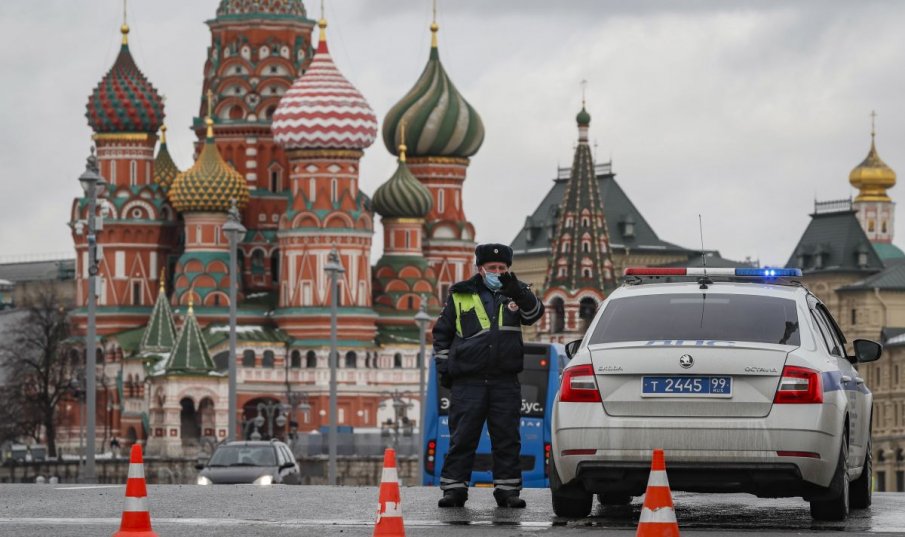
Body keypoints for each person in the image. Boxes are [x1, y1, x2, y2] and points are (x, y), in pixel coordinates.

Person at [432, 243, 545, 508]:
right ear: (480, 269)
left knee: (507, 438)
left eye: (502, 268)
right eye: (492, 268)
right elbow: (441, 335)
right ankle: (454, 489)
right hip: (468, 382)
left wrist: (516, 288)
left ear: (508, 269)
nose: (497, 272)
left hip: (504, 381)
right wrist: (445, 371)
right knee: (462, 438)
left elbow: (534, 314)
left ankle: (508, 491)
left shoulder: (517, 293)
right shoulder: (461, 295)